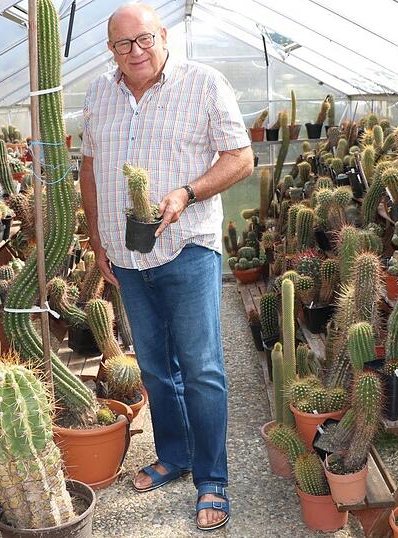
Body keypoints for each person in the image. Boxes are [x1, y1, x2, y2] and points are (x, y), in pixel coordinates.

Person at [79, 3, 253, 532]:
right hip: (127, 255)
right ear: (111, 49)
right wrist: (97, 238)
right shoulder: (99, 93)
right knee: (155, 367)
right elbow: (89, 166)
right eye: (122, 44)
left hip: (189, 245)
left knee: (201, 368)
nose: (135, 51)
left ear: (163, 37)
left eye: (144, 39)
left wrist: (187, 193)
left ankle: (213, 479)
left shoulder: (204, 83)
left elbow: (240, 157)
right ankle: (175, 455)